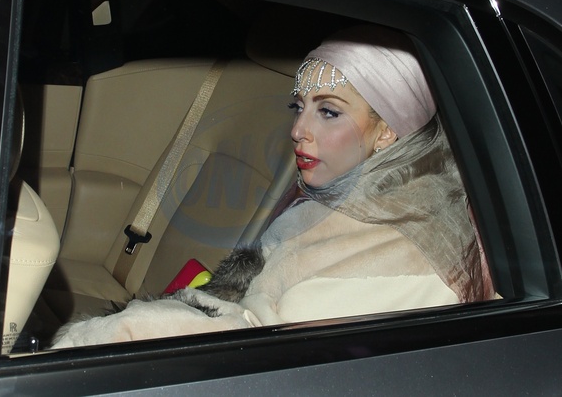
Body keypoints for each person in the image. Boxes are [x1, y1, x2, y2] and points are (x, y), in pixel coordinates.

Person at [51, 25, 496, 348]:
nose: (298, 130)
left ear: (387, 131)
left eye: (329, 112)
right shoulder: (339, 200)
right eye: (299, 107)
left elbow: (270, 352)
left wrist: (111, 334)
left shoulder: (409, 258)